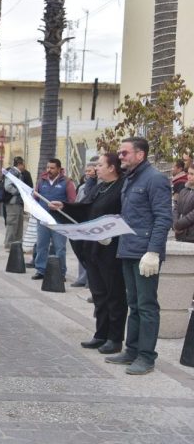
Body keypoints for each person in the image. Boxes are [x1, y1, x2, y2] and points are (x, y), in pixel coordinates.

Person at [105, 137, 172, 375]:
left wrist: (153, 251)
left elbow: (163, 218)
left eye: (124, 153)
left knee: (146, 306)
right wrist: (111, 234)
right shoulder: (131, 180)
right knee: (133, 304)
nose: (120, 156)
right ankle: (132, 350)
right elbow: (129, 216)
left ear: (140, 155)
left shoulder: (155, 179)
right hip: (129, 249)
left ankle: (146, 357)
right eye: (120, 153)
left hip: (145, 253)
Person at [49, 153, 127, 355]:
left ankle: (115, 338)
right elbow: (86, 208)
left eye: (100, 165)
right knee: (99, 294)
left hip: (112, 250)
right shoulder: (101, 187)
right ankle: (101, 334)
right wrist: (64, 207)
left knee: (114, 295)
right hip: (94, 249)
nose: (96, 168)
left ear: (112, 168)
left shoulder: (122, 187)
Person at [32, 158, 76, 280]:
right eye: (47, 167)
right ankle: (41, 270)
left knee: (60, 248)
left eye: (52, 168)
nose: (49, 170)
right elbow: (35, 199)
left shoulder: (67, 182)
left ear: (58, 169)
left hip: (60, 221)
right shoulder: (41, 181)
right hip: (43, 220)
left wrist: (61, 206)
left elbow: (72, 201)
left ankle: (60, 272)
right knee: (41, 245)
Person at [71, 162, 98, 288]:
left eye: (90, 171)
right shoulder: (82, 187)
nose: (88, 173)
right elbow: (77, 203)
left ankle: (91, 280)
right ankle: (82, 278)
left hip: (93, 224)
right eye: (86, 171)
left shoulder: (99, 186)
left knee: (92, 253)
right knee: (82, 250)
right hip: (81, 223)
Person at [3, 157, 26, 249]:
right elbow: (7, 186)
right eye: (23, 164)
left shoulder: (18, 173)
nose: (24, 166)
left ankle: (16, 244)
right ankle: (9, 244)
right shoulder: (13, 172)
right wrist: (18, 192)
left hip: (18, 203)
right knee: (12, 223)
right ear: (19, 164)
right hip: (13, 202)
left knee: (19, 224)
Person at [173, 163, 194, 242]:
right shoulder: (183, 190)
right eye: (188, 173)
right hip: (180, 235)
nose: (189, 176)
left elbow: (192, 216)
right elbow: (176, 208)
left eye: (192, 174)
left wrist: (178, 225)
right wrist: (175, 223)